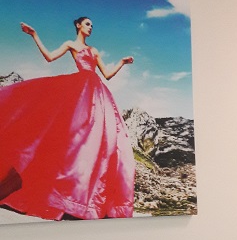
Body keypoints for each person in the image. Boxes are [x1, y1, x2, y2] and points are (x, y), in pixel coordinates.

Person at [0, 17, 135, 220]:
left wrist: (122, 63)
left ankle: (84, 199)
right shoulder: (71, 44)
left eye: (92, 25)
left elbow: (107, 74)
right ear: (78, 26)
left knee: (101, 141)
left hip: (98, 93)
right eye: (87, 24)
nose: (91, 27)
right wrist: (34, 35)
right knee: (75, 139)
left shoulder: (94, 50)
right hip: (81, 90)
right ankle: (68, 197)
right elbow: (49, 57)